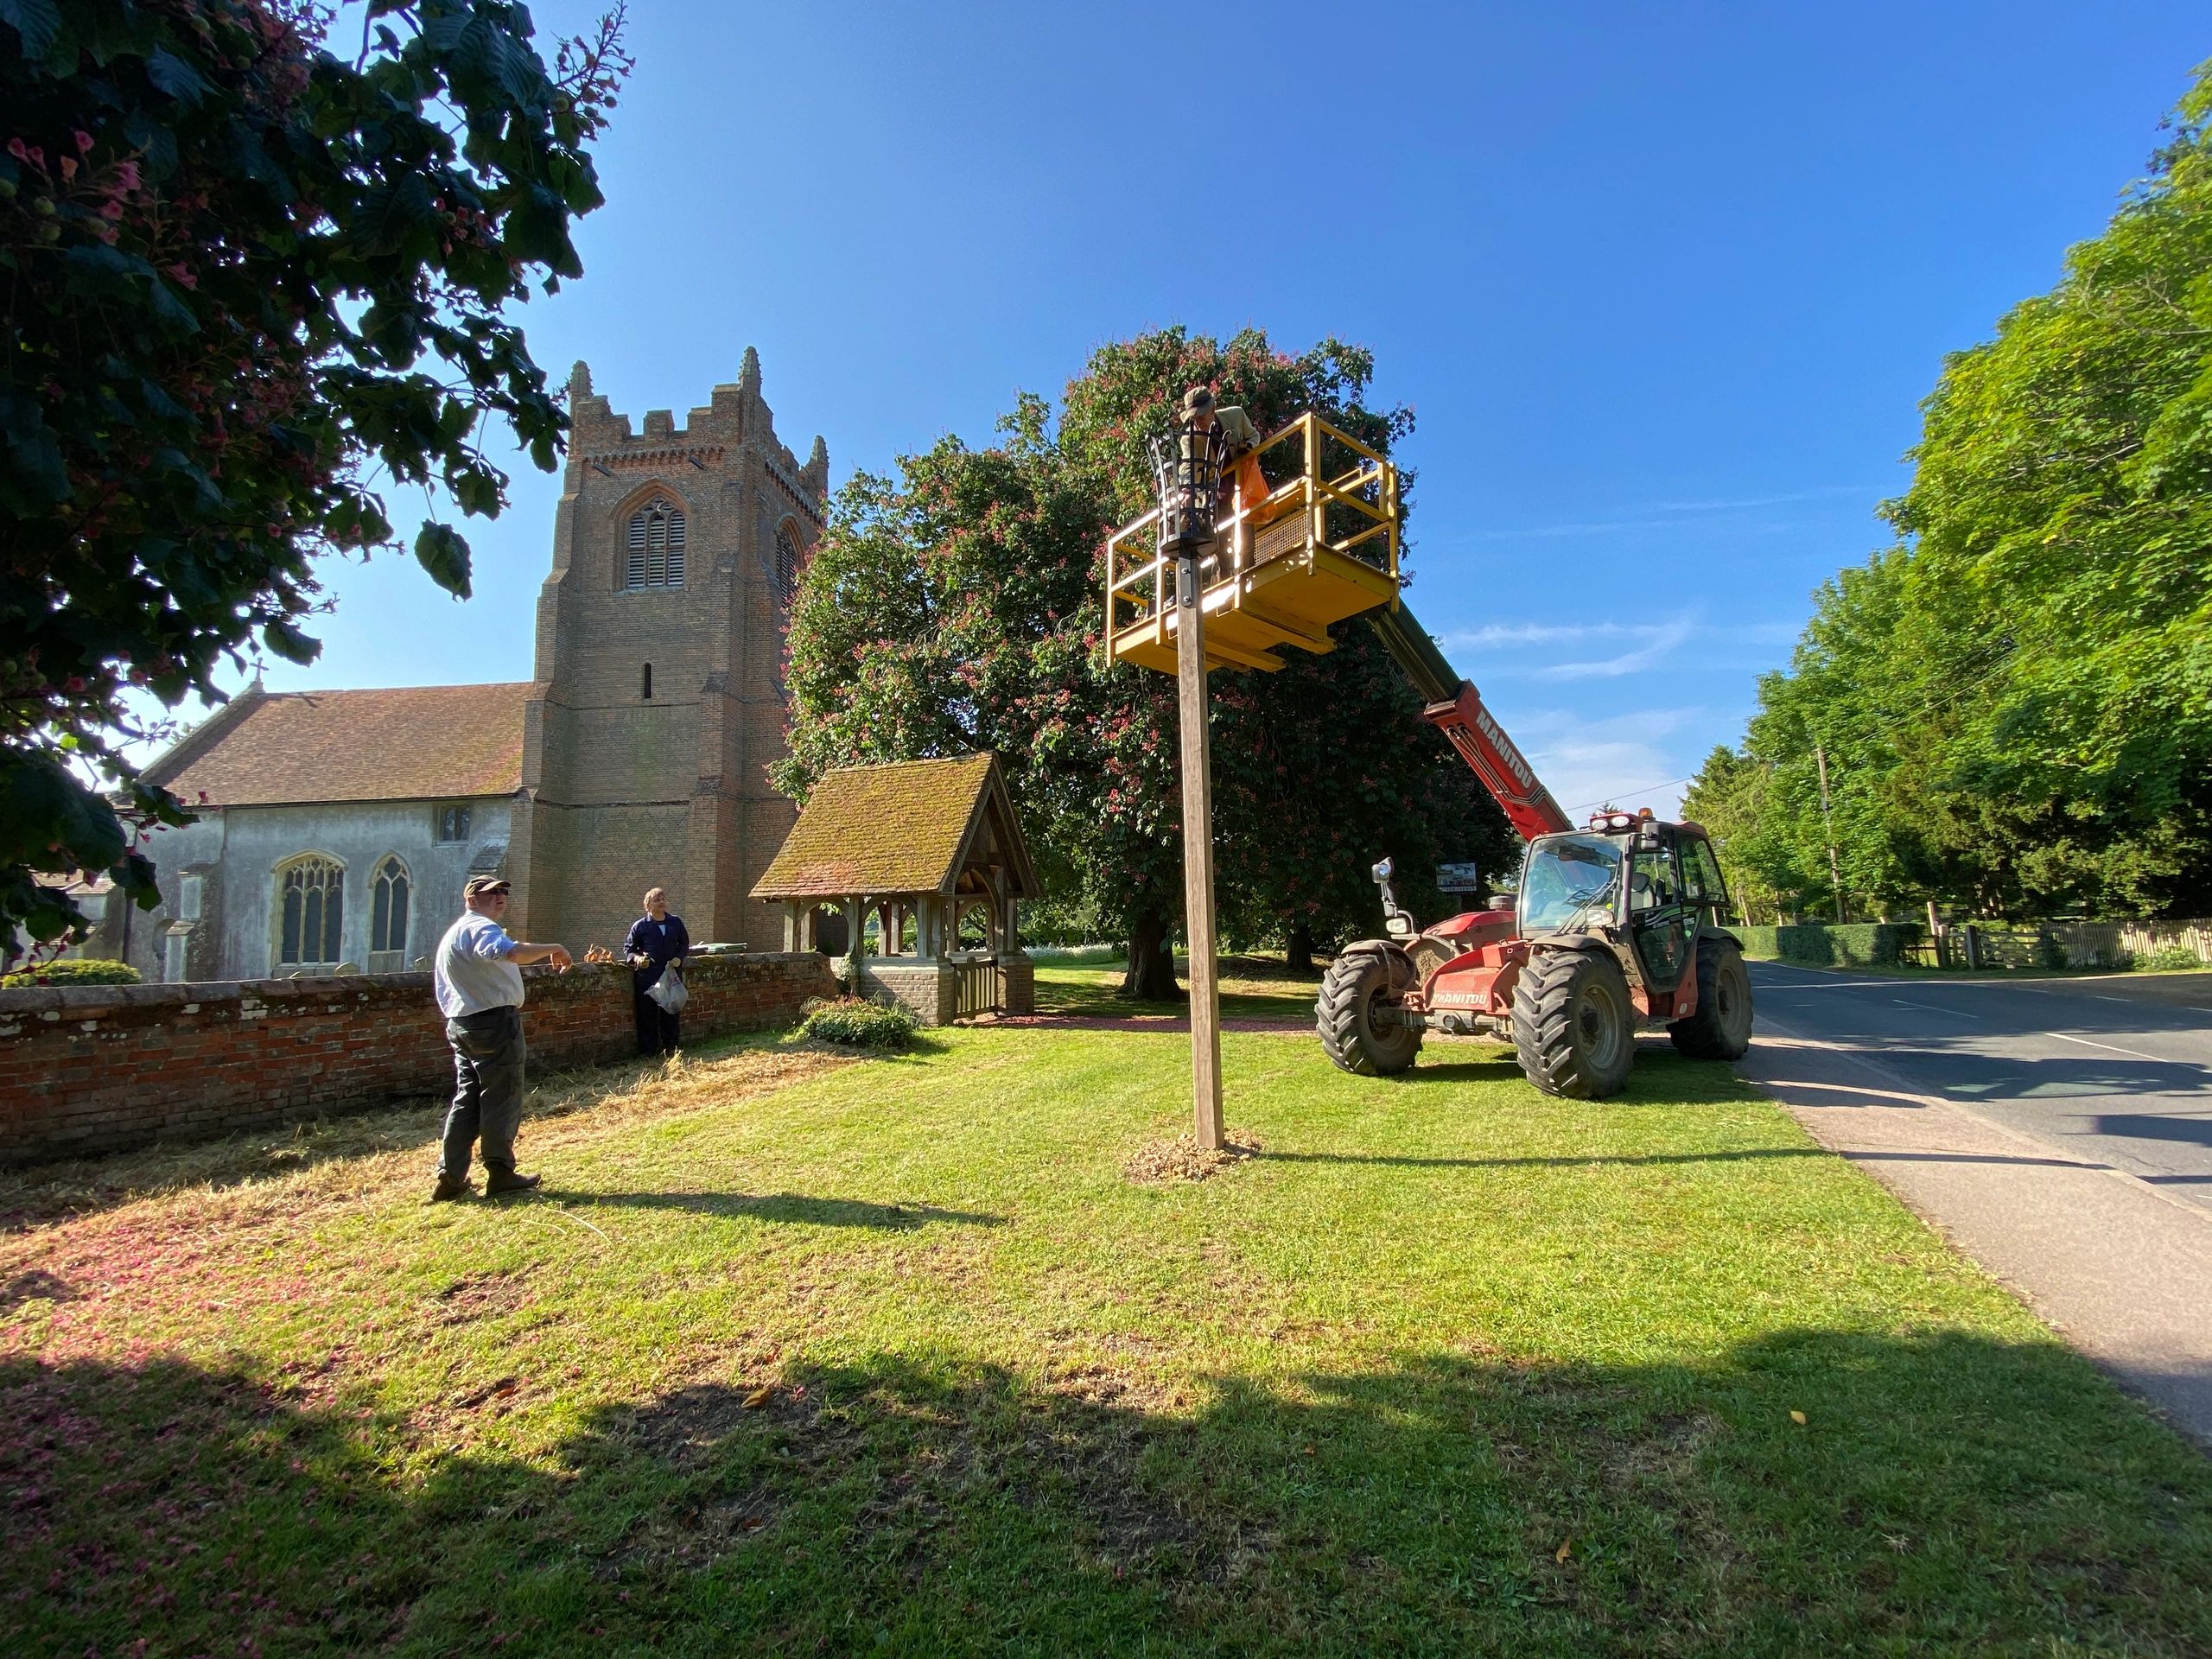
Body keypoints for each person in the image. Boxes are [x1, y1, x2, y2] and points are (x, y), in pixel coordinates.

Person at [428, 876, 571, 1203]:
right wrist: (555, 948)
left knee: (469, 1099)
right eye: (491, 893)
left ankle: (450, 1176)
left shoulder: (457, 932)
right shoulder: (479, 927)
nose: (500, 897)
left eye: (503, 891)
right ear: (471, 899)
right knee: (501, 1096)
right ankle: (501, 1173)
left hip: (462, 1024)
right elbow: (508, 952)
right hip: (492, 1023)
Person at [626, 887, 690, 1055]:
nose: (662, 902)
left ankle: (672, 1048)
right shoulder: (640, 926)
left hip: (670, 974)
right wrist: (638, 959)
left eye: (663, 899)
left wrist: (679, 957)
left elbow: (684, 943)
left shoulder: (675, 922)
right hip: (648, 976)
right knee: (647, 1013)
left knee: (671, 1010)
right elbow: (629, 949)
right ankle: (649, 1051)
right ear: (648, 905)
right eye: (657, 900)